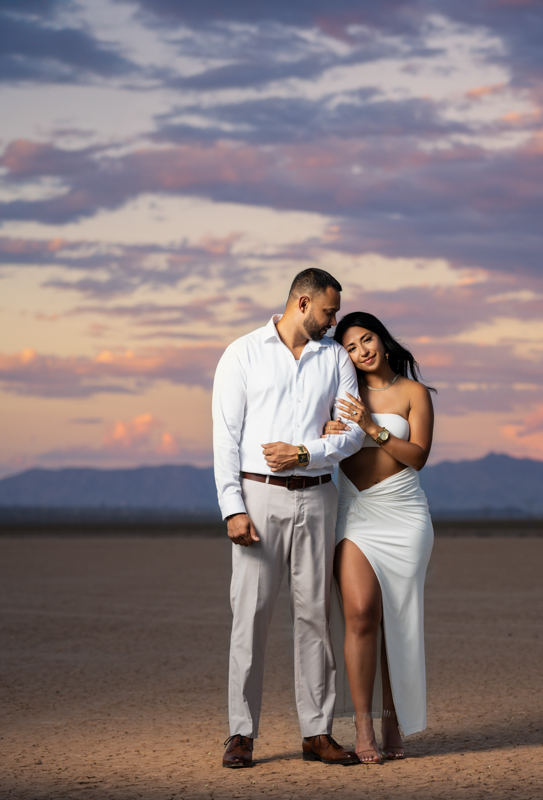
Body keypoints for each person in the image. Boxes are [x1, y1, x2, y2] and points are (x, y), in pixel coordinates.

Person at [211, 268, 367, 769]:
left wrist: (304, 452)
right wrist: (232, 507)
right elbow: (225, 438)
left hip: (320, 497)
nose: (334, 320)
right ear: (302, 303)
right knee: (250, 617)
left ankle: (316, 733)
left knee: (315, 618)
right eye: (329, 310)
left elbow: (352, 437)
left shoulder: (336, 358)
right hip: (258, 499)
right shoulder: (243, 353)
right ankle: (241, 734)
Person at [322, 312, 435, 764]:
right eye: (349, 346)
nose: (361, 350)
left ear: (382, 341)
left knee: (399, 620)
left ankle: (394, 720)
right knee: (362, 614)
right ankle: (364, 726)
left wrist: (373, 428)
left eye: (366, 339)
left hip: (404, 515)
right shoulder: (339, 394)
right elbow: (318, 441)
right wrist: (326, 431)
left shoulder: (414, 393)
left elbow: (419, 457)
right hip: (353, 512)